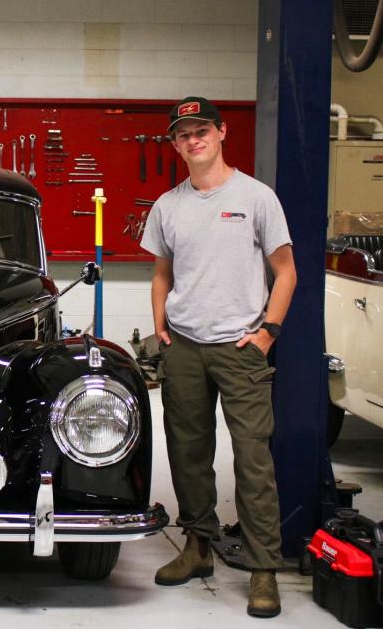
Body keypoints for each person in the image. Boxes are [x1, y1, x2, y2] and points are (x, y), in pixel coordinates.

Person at [140, 96, 296, 618]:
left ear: (223, 132)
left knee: (253, 460)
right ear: (176, 144)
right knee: (187, 453)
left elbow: (286, 270)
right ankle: (199, 548)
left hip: (241, 348)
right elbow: (162, 271)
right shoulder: (168, 205)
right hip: (183, 346)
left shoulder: (256, 197)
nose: (193, 140)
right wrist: (160, 323)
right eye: (183, 134)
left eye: (201, 129)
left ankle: (263, 569)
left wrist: (268, 332)